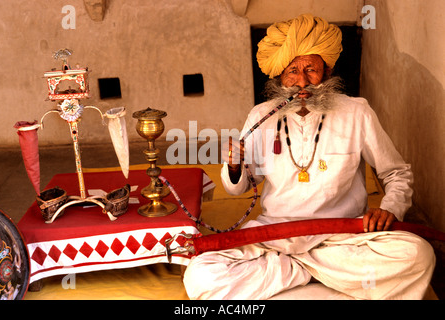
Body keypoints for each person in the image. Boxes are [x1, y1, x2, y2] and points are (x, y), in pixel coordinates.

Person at [183, 14, 435, 300]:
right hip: (275, 234)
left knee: (417, 254)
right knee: (201, 273)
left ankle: (292, 277)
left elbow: (396, 172)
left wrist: (390, 208)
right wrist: (234, 165)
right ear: (279, 76)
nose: (301, 81)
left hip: (343, 237)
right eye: (292, 70)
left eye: (311, 69)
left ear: (326, 72)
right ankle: (317, 275)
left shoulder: (357, 112)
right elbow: (239, 187)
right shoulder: (261, 116)